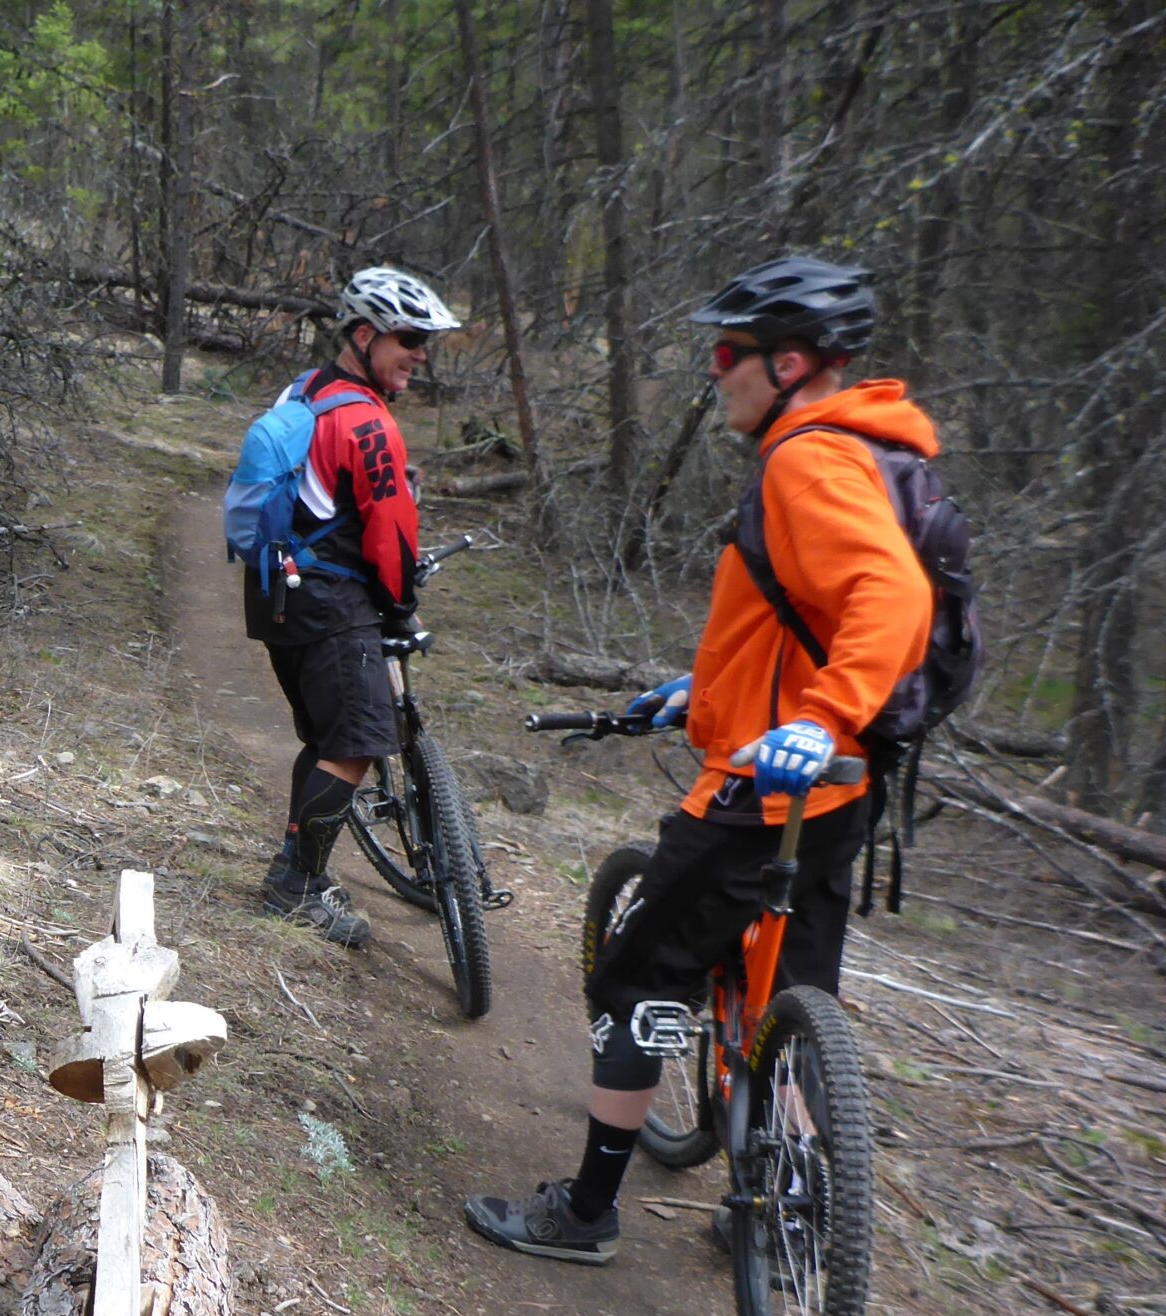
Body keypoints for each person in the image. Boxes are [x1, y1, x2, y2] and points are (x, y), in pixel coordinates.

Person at [464, 255, 935, 1264]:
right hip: (837, 788)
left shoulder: (806, 459)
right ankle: (786, 1215)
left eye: (731, 353)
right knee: (784, 997)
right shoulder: (868, 449)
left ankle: (585, 1211)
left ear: (790, 364)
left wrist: (814, 717)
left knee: (637, 980)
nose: (715, 370)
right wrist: (704, 695)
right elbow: (793, 615)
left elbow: (890, 599)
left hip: (763, 793)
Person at [256, 266, 464, 948]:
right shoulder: (369, 421)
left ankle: (298, 871)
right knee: (354, 746)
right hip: (330, 600)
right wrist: (402, 606)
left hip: (276, 590)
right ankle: (295, 889)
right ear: (366, 334)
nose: (419, 353)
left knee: (325, 740)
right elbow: (391, 531)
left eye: (425, 341)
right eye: (409, 337)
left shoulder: (305, 389)